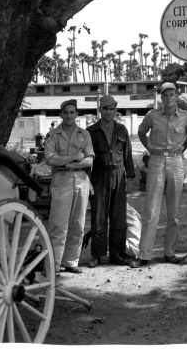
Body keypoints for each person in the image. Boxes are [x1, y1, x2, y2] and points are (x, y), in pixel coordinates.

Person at [134, 82, 187, 268]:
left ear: (177, 96)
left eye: (172, 94)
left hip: (176, 162)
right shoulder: (153, 116)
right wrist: (149, 148)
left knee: (174, 212)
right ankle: (144, 255)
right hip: (156, 161)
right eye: (165, 95)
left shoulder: (186, 116)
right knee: (151, 210)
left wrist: (182, 149)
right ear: (161, 97)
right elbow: (141, 132)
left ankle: (169, 252)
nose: (169, 98)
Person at [85, 95, 137, 267]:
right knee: (99, 216)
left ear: (116, 110)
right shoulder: (91, 131)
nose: (108, 112)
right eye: (105, 108)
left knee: (119, 217)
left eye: (111, 109)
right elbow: (87, 159)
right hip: (99, 175)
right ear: (100, 110)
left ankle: (117, 253)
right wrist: (88, 181)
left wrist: (130, 178)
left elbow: (128, 155)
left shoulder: (122, 130)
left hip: (119, 174)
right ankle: (97, 255)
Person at [43, 99, 94, 274]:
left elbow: (89, 159)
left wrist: (66, 162)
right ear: (61, 114)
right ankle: (53, 265)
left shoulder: (84, 134)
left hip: (81, 180)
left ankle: (71, 261)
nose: (69, 115)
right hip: (61, 180)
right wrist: (74, 157)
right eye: (66, 112)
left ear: (76, 114)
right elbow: (50, 159)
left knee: (78, 224)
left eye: (72, 112)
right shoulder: (53, 135)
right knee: (58, 225)